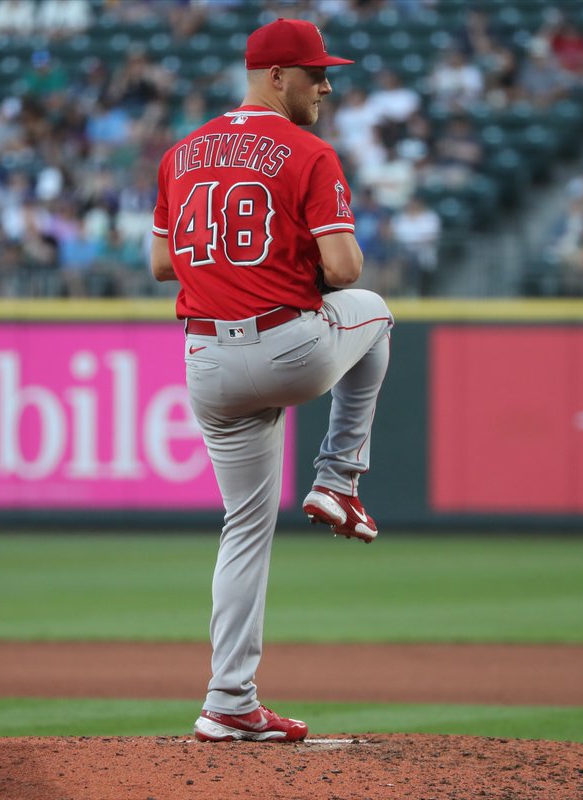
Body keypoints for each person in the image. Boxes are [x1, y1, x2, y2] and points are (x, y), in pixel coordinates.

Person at [150, 18, 393, 744]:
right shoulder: (309, 151)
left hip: (206, 364)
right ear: (276, 76)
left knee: (244, 527)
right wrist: (288, 265)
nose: (326, 84)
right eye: (315, 72)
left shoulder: (181, 152)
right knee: (375, 313)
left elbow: (164, 265)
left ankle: (228, 701)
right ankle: (340, 478)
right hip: (289, 347)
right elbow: (345, 269)